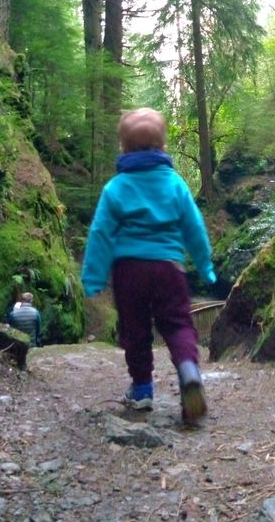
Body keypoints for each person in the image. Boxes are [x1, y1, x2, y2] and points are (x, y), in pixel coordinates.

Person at [81, 108, 216, 424]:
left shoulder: (115, 188)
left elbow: (101, 233)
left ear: (123, 149)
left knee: (135, 329)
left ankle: (142, 390)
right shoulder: (175, 184)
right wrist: (206, 266)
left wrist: (93, 276)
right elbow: (194, 227)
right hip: (169, 267)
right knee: (179, 324)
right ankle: (188, 370)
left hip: (129, 271)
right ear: (163, 148)